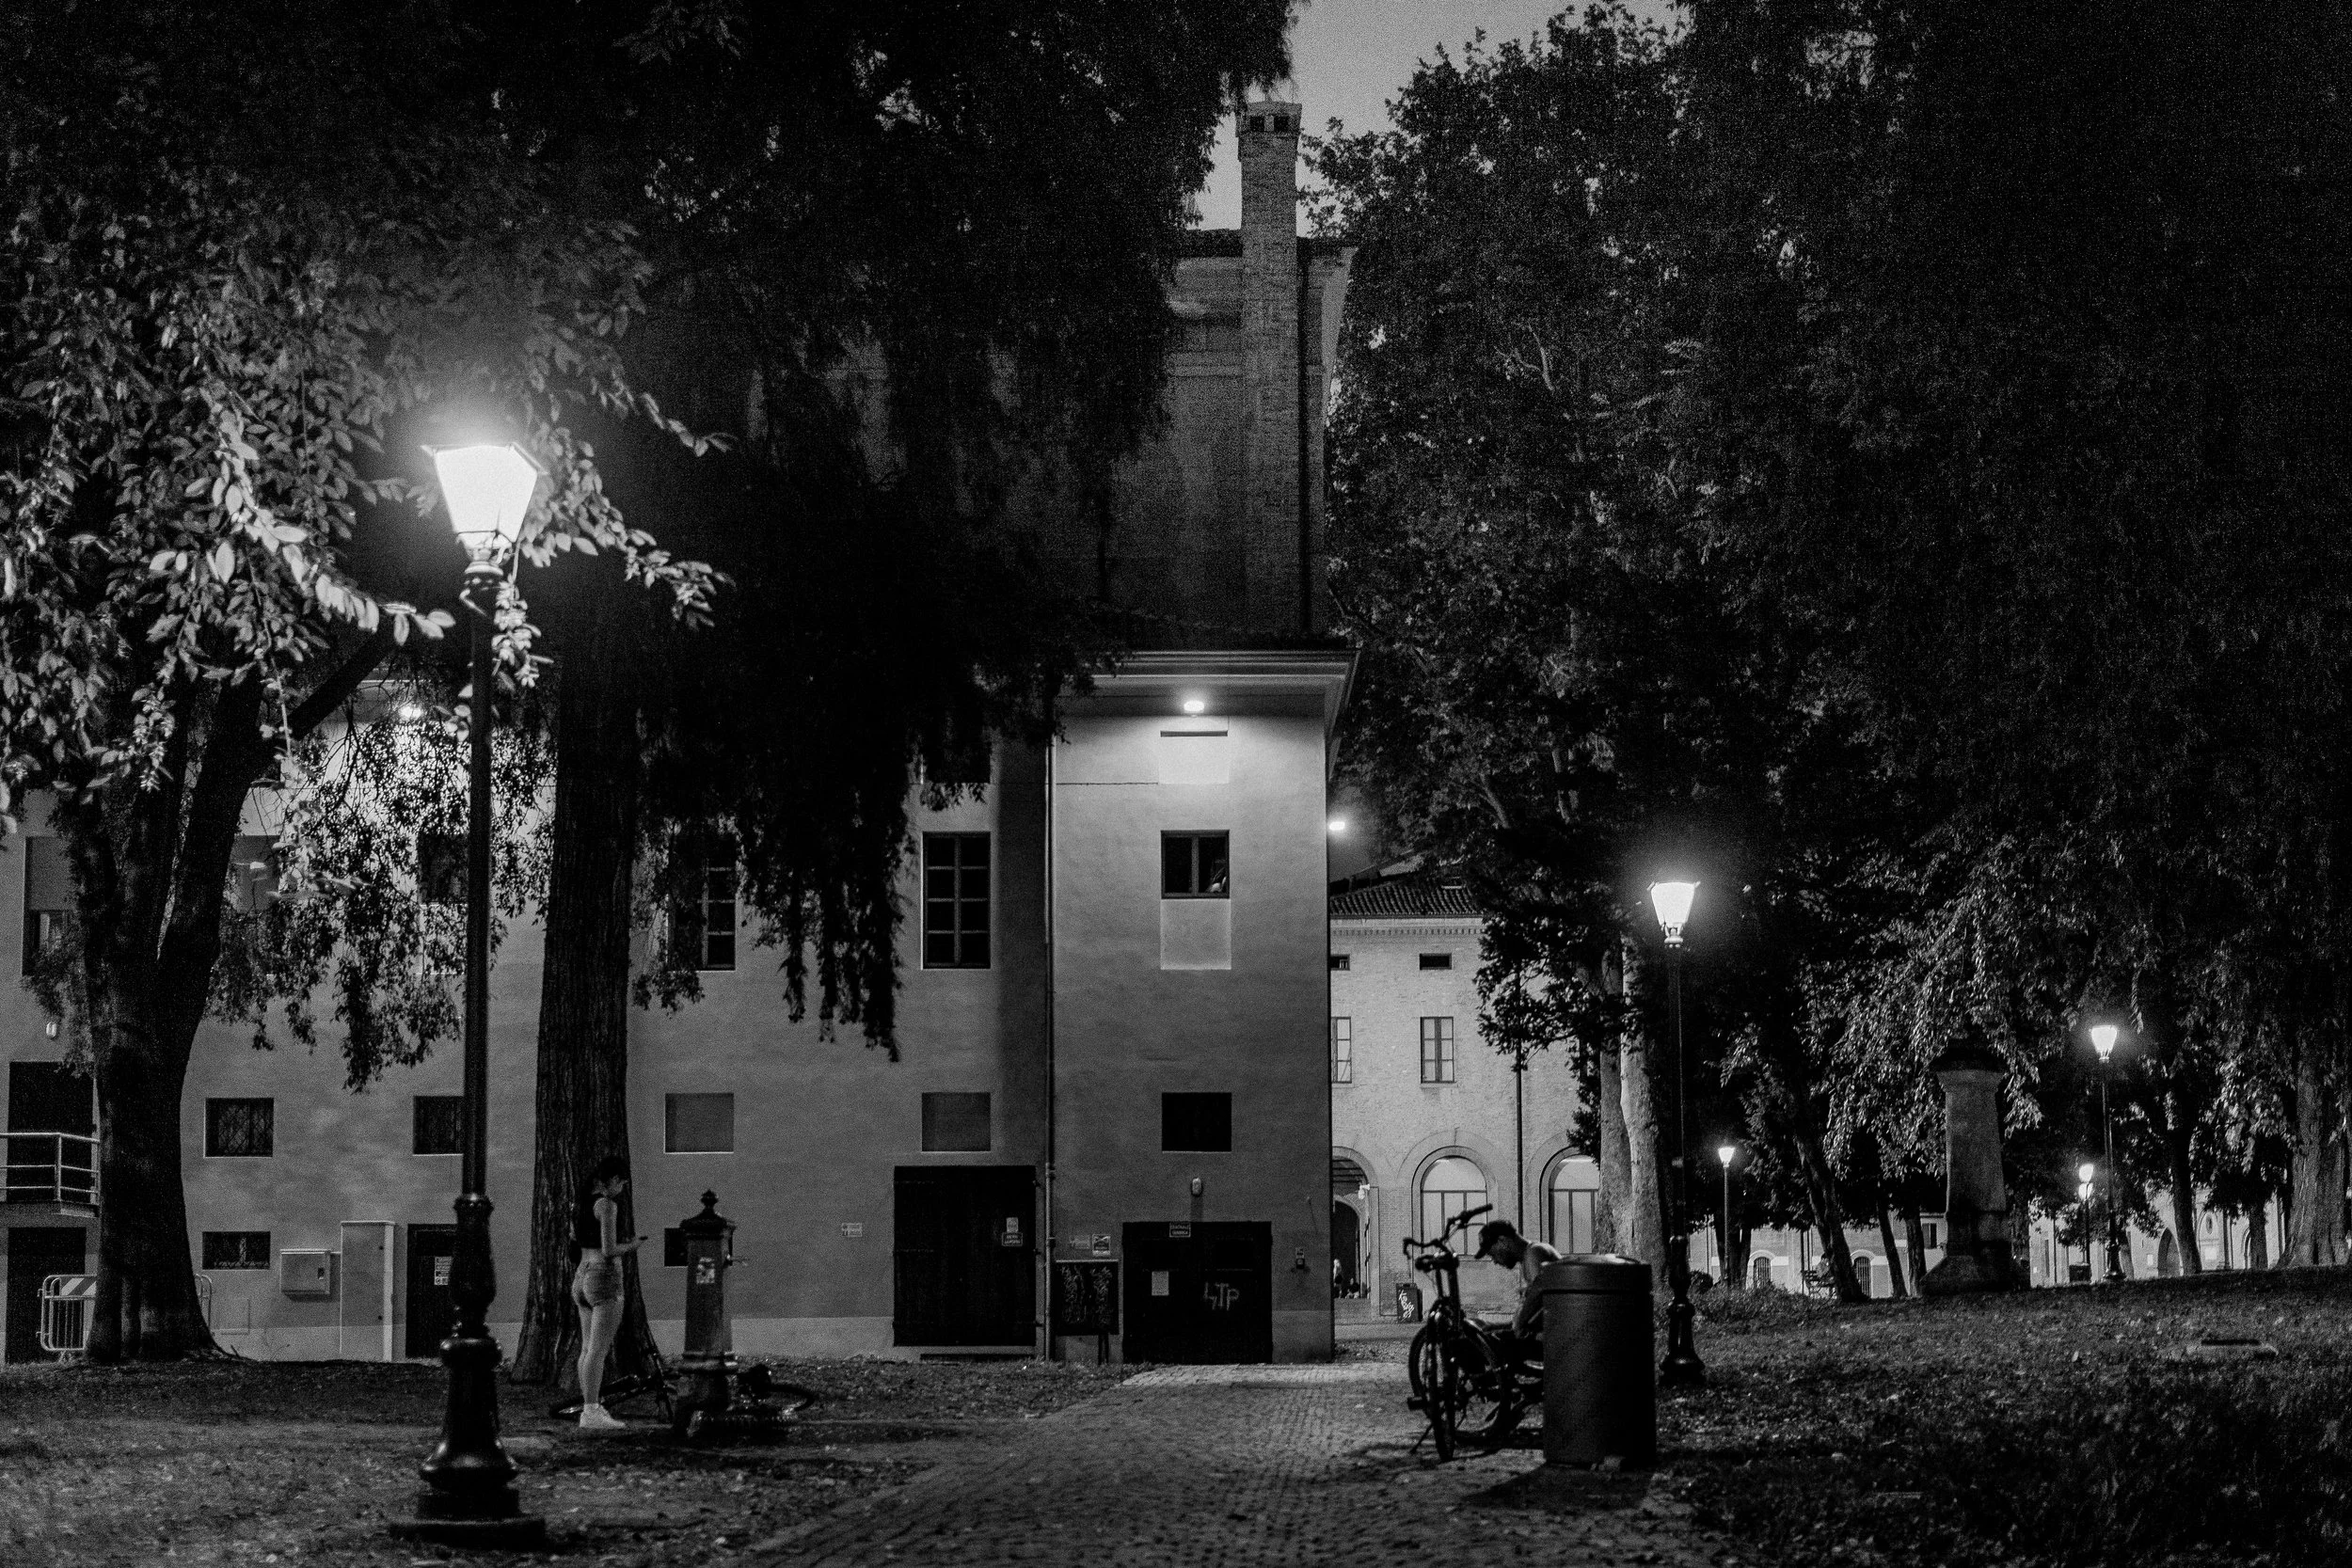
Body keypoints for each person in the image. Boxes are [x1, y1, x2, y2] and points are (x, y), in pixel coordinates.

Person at [572, 1155, 644, 1430]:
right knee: (598, 1350)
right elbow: (609, 1249)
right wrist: (633, 1245)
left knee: (587, 1347)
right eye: (622, 1183)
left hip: (581, 1275)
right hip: (604, 1275)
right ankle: (591, 1411)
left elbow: (574, 1240)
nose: (622, 1189)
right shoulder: (606, 1205)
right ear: (612, 1180)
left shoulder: (577, 1205)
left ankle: (590, 1406)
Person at [1472, 1219, 1563, 1340]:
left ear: (1502, 1241)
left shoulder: (1534, 1253)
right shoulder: (1530, 1255)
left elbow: (1538, 1294)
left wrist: (1518, 1324)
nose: (1494, 1261)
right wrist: (1500, 1326)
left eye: (1492, 1254)